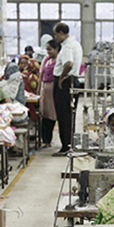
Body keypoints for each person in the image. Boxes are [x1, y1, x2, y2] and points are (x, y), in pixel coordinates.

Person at [52, 22, 83, 156]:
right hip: (72, 80)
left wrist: (61, 78)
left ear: (61, 33)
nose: (55, 37)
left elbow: (69, 63)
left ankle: (66, 146)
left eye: (56, 34)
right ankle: (69, 143)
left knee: (63, 114)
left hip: (65, 82)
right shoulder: (75, 44)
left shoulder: (67, 47)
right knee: (70, 114)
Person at [38, 39, 59, 148]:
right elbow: (41, 75)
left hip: (53, 90)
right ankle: (45, 139)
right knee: (44, 114)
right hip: (45, 90)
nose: (48, 52)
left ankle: (48, 139)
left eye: (50, 49)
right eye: (47, 50)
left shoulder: (59, 61)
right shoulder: (46, 60)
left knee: (52, 115)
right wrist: (39, 90)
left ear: (56, 49)